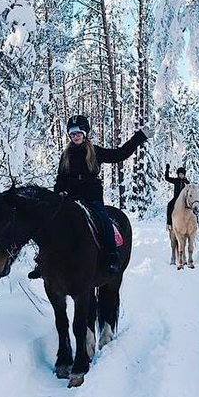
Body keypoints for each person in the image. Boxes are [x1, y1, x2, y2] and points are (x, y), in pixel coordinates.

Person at [28, 114, 149, 278]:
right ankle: (42, 261)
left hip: (91, 198)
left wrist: (139, 137)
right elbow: (60, 179)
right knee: (52, 222)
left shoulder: (95, 152)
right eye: (72, 134)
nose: (75, 136)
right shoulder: (66, 156)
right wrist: (58, 193)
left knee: (103, 218)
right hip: (69, 199)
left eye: (78, 133)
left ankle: (112, 255)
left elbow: (120, 154)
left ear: (85, 134)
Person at [165, 163, 189, 230]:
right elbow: (167, 178)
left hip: (184, 199)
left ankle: (196, 222)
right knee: (169, 205)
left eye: (182, 174)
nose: (181, 175)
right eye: (179, 174)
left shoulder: (186, 182)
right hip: (176, 198)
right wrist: (167, 170)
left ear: (184, 175)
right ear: (178, 174)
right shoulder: (176, 180)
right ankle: (169, 222)